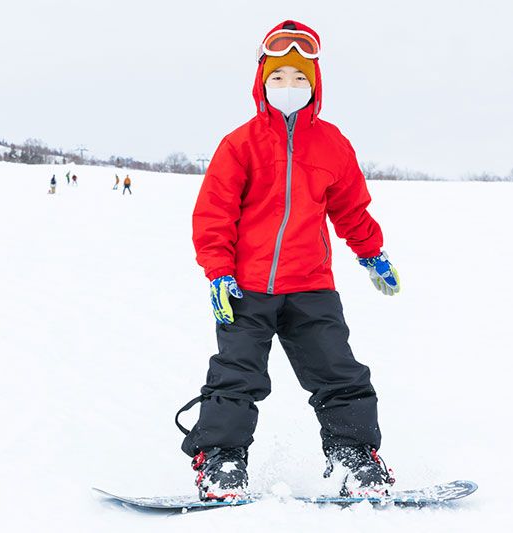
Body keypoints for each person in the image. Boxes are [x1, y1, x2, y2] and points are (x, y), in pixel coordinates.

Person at [175, 20, 400, 502]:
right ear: (262, 84)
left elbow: (350, 207)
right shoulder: (240, 144)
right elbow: (213, 213)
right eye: (279, 78)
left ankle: (354, 457)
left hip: (311, 286)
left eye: (300, 78)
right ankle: (221, 461)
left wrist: (371, 253)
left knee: (339, 373)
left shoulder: (333, 144)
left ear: (315, 85)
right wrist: (218, 272)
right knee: (236, 377)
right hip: (245, 287)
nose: (289, 87)